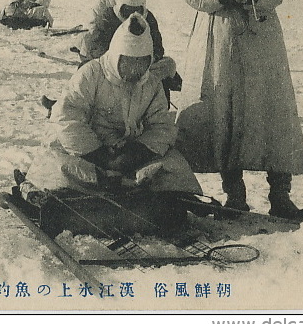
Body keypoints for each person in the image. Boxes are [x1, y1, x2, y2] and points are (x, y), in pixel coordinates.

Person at [174, 0, 303, 221]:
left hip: (261, 48)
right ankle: (235, 195)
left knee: (271, 115)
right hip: (219, 49)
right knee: (225, 115)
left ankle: (280, 195)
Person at [24, 14, 201, 201]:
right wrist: (99, 155)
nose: (135, 71)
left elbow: (162, 126)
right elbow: (67, 117)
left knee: (174, 163)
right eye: (129, 62)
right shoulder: (92, 73)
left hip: (126, 153)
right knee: (59, 164)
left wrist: (139, 150)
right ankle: (58, 195)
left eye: (141, 64)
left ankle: (170, 197)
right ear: (117, 56)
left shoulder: (151, 83)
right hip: (88, 152)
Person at [76, 0, 180, 102]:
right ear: (120, 6)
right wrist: (120, 62)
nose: (131, 15)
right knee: (86, 69)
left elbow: (158, 48)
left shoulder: (148, 19)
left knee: (168, 65)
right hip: (112, 68)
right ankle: (73, 101)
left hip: (141, 67)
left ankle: (159, 105)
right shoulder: (107, 17)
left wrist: (145, 61)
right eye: (127, 10)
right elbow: (95, 48)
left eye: (136, 11)